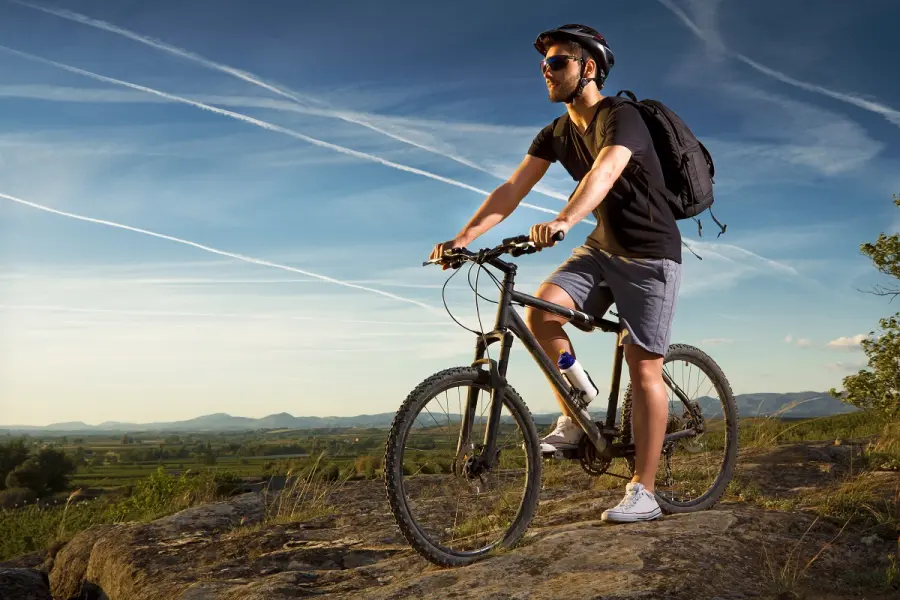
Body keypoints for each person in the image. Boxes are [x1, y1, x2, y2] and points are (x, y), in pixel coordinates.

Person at [429, 24, 682, 523]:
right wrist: (463, 238)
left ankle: (645, 490)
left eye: (557, 62)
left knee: (643, 365)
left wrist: (565, 219)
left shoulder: (621, 116)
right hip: (601, 247)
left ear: (588, 68)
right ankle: (577, 403)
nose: (546, 70)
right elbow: (512, 188)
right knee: (541, 315)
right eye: (544, 63)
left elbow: (605, 172)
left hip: (650, 253)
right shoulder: (556, 133)